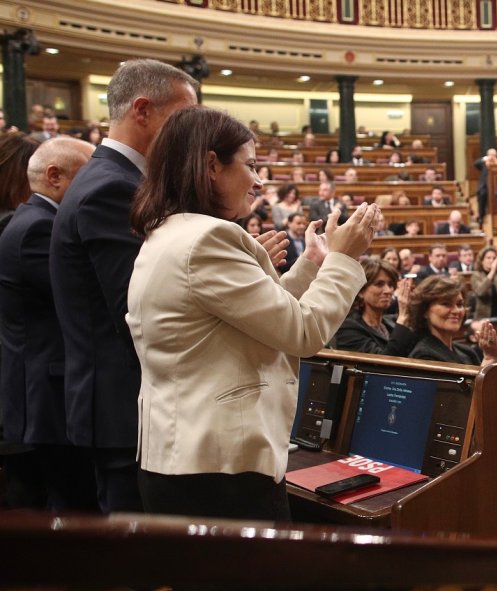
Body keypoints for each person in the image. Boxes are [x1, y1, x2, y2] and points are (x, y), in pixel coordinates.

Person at [126, 106, 380, 520]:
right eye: (251, 165)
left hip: (188, 461)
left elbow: (253, 318)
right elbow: (303, 331)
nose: (259, 180)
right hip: (222, 473)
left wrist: (313, 265)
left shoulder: (171, 232)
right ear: (211, 165)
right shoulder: (209, 239)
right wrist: (346, 259)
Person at [49, 59, 200, 513]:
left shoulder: (117, 179)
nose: (188, 135)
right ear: (142, 110)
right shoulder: (113, 187)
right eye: (183, 119)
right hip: (123, 405)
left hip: (123, 401)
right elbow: (138, 310)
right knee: (139, 563)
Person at [0, 136, 98, 511]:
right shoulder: (38, 227)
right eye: (87, 178)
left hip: (43, 391)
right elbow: (82, 300)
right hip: (43, 397)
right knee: (58, 507)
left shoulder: (38, 220)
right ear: (55, 176)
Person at [408, 275, 497, 367]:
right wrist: (489, 359)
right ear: (424, 311)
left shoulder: (466, 352)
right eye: (446, 304)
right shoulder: (424, 355)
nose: (456, 310)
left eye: (460, 304)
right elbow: (468, 399)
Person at [331, 259, 417, 357]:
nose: (388, 290)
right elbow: (382, 365)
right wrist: (402, 317)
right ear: (361, 291)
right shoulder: (348, 328)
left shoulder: (390, 321)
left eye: (390, 285)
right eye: (379, 284)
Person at [471, 246, 497, 321]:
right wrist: (492, 272)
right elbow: (481, 292)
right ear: (482, 261)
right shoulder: (476, 275)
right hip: (484, 317)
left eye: (494, 258)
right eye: (488, 258)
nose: (491, 261)